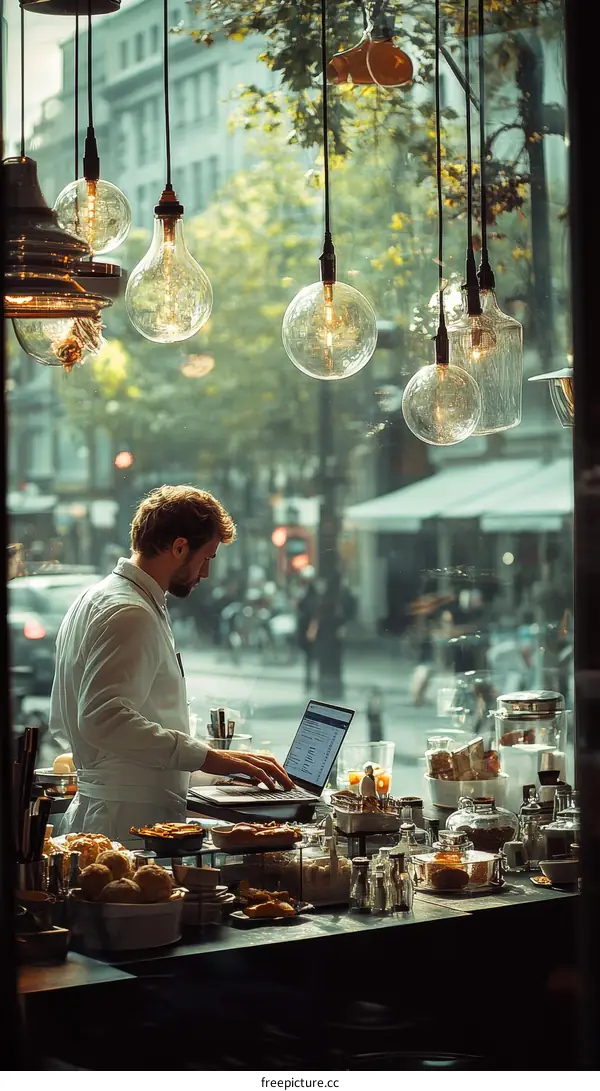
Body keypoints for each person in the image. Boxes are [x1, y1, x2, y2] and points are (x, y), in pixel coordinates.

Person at [49, 485, 294, 846]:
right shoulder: (130, 611)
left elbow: (73, 724)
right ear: (179, 548)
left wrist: (206, 772)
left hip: (114, 810)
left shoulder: (97, 596)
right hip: (128, 823)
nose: (206, 573)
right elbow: (102, 718)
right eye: (207, 557)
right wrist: (209, 758)